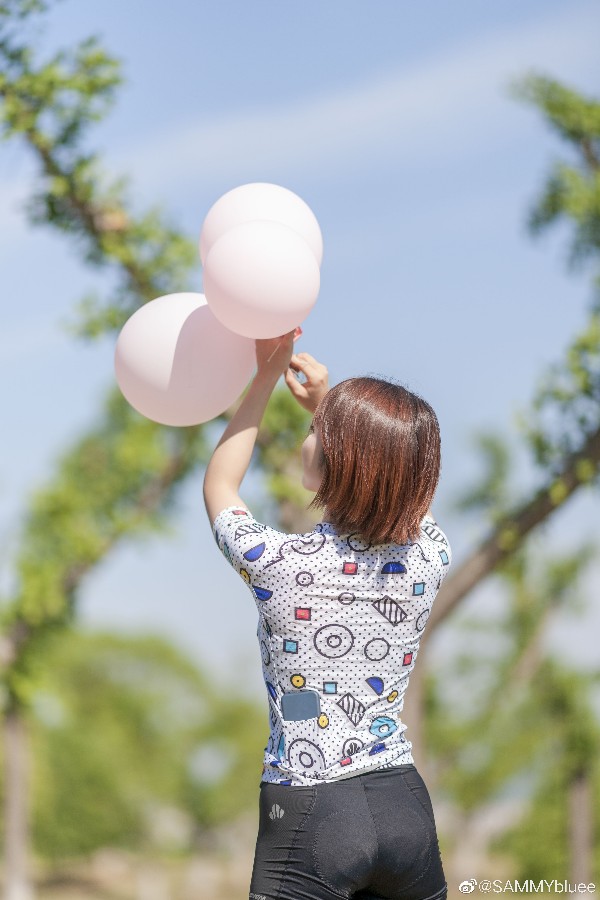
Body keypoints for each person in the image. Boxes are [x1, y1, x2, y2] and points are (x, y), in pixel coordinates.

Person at [203, 331, 451, 900]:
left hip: (310, 812)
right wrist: (333, 408)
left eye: (317, 432)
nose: (309, 436)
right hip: (404, 807)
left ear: (340, 456)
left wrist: (265, 376)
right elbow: (405, 487)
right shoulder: (430, 559)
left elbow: (220, 483)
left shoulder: (278, 563)